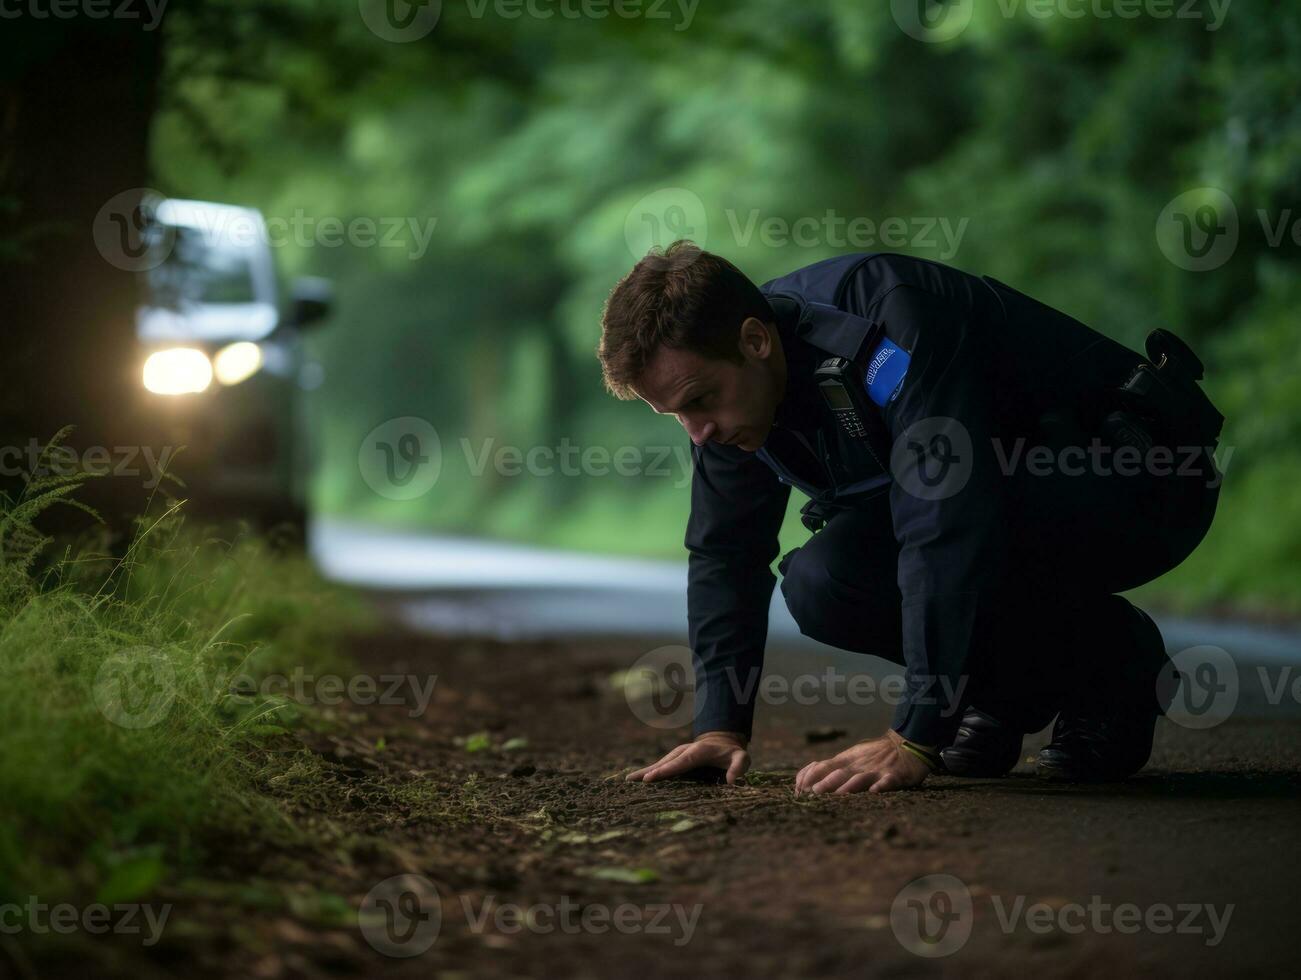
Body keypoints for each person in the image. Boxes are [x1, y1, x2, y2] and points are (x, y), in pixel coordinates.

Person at [597, 241, 1224, 794]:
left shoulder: (889, 321)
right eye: (675, 415)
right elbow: (725, 553)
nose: (697, 434)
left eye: (699, 402)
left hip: (1142, 486)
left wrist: (916, 734)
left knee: (940, 521)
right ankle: (1005, 693)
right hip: (1002, 508)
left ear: (755, 341)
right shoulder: (729, 404)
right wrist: (719, 727)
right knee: (822, 581)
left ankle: (1111, 661)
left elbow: (943, 519)